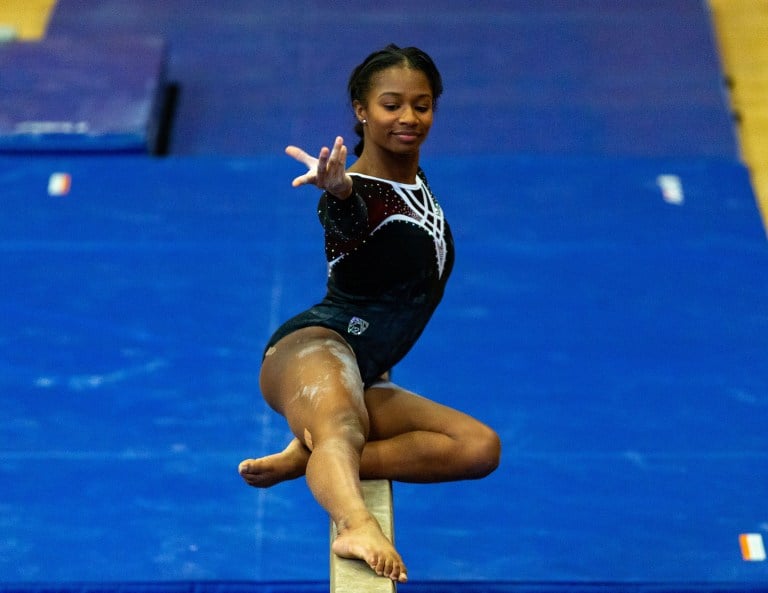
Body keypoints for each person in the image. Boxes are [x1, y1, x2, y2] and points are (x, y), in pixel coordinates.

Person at [238, 44, 501, 584]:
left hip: (362, 366)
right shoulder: (357, 191)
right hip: (313, 348)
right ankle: (354, 519)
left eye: (421, 105)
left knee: (478, 447)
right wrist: (336, 192)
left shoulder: (413, 181)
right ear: (361, 110)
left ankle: (316, 456)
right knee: (340, 424)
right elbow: (347, 220)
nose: (408, 118)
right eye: (391, 105)